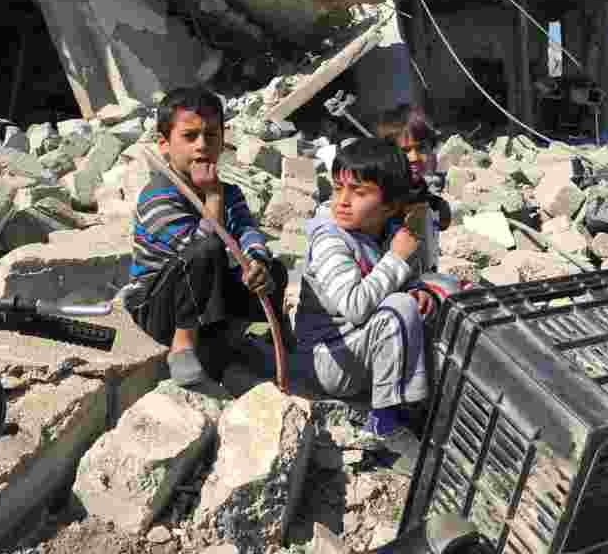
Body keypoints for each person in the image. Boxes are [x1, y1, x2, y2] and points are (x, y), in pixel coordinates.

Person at [124, 86, 289, 387]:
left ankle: (229, 336)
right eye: (189, 137)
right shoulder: (157, 196)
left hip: (206, 296)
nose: (202, 145)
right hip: (159, 306)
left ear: (223, 141)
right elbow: (197, 245)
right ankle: (183, 345)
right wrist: (212, 196)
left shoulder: (231, 192)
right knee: (207, 248)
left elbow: (247, 230)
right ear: (164, 144)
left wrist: (256, 262)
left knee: (274, 270)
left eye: (211, 135)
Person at [295, 137, 435, 475]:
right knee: (399, 309)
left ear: (389, 206)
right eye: (337, 188)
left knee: (439, 291)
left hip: (359, 350)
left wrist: (417, 288)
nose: (343, 201)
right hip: (330, 359)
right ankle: (385, 423)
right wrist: (397, 260)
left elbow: (402, 277)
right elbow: (355, 306)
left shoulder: (385, 231)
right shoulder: (330, 239)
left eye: (359, 193)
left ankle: (421, 401)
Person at [375, 104, 452, 273]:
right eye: (404, 151)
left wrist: (436, 205)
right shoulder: (378, 201)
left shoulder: (423, 194)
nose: (414, 157)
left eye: (421, 148)